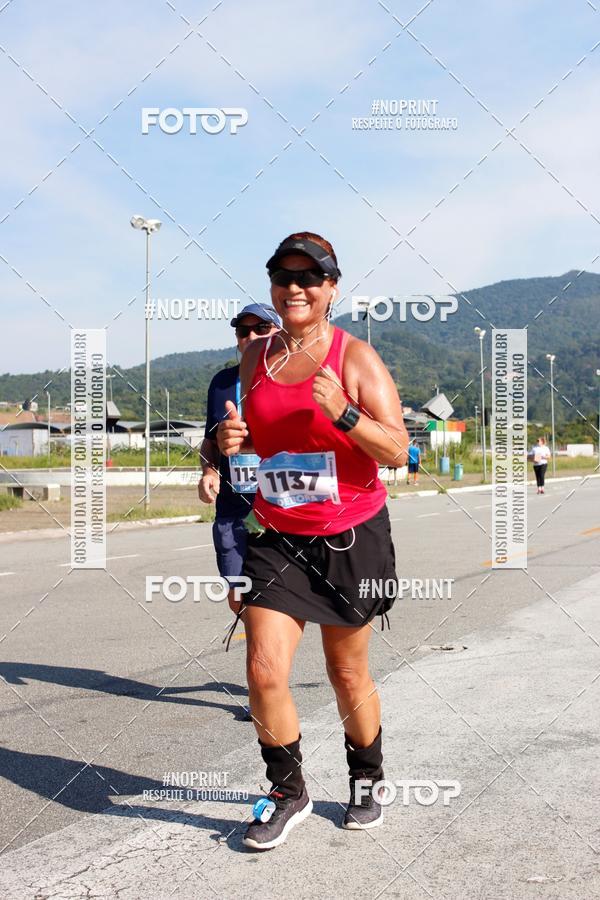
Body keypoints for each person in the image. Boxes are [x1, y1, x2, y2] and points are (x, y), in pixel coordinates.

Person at [217, 232, 409, 850]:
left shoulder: (355, 360)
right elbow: (250, 441)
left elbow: (399, 451)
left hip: (349, 536)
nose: (295, 287)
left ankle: (366, 780)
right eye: (283, 277)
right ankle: (286, 790)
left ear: (331, 289)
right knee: (263, 668)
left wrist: (345, 414)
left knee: (346, 671)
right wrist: (224, 445)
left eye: (309, 278)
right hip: (277, 535)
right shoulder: (255, 359)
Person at [199, 303, 280, 616]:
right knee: (238, 596)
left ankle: (267, 658)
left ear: (279, 334)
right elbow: (209, 443)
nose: (250, 336)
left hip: (279, 510)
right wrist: (209, 472)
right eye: (243, 331)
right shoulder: (221, 384)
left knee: (274, 602)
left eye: (261, 328)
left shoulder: (293, 380)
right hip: (234, 510)